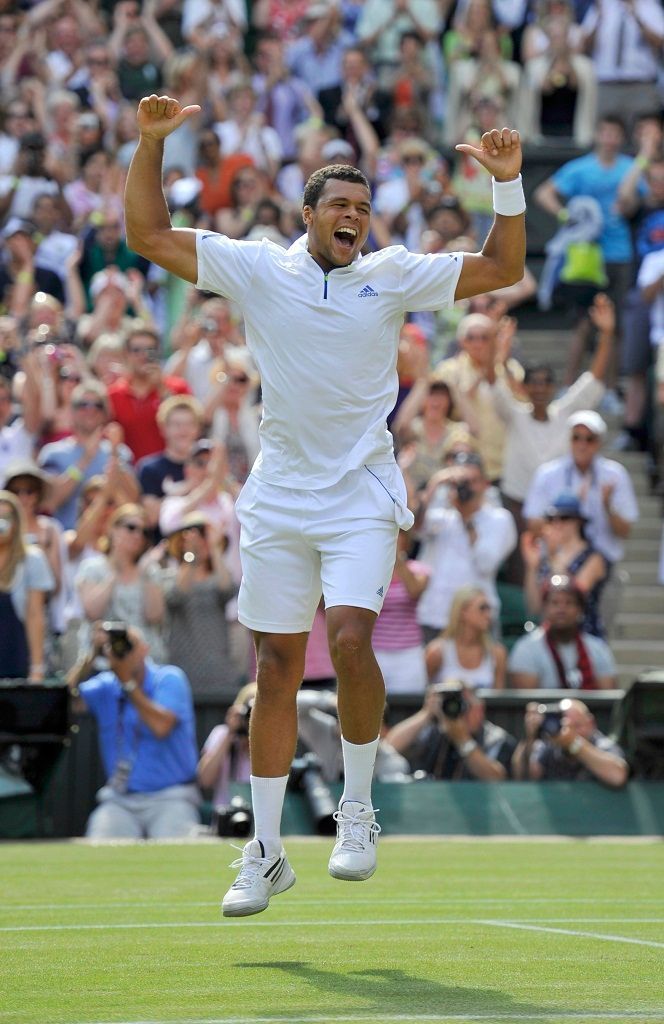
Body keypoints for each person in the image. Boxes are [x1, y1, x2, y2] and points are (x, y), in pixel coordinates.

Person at [124, 93, 525, 916]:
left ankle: (358, 808)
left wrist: (508, 187)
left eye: (364, 209)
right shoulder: (260, 266)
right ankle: (266, 853)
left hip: (363, 494)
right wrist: (150, 145)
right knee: (274, 667)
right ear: (307, 215)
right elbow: (147, 236)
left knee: (346, 639)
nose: (354, 217)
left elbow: (501, 268)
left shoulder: (390, 274)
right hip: (279, 495)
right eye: (339, 205)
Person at [66, 623, 200, 838]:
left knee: (177, 851)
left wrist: (127, 682)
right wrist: (90, 656)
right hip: (120, 800)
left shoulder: (168, 678)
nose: (123, 651)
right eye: (116, 646)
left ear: (144, 649)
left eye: (129, 645)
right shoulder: (106, 684)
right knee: (99, 849)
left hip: (171, 796)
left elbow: (161, 727)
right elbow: (64, 701)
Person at [416, 452, 517, 642]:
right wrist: (435, 484)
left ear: (485, 484)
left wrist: (466, 518)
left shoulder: (499, 519)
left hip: (475, 620)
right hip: (433, 615)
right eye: (461, 482)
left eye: (472, 481)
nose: (466, 488)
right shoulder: (442, 514)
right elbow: (414, 528)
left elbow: (485, 563)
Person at [523, 410, 639, 569]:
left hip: (604, 565)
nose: (582, 445)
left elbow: (625, 531)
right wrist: (567, 511)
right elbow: (534, 525)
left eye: (589, 439)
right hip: (559, 566)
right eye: (576, 438)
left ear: (599, 442)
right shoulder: (547, 474)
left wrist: (607, 506)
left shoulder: (616, 475)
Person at [385, 681, 517, 781]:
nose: (457, 712)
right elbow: (390, 748)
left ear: (480, 709)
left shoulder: (496, 738)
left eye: (465, 705)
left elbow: (496, 778)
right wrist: (426, 713)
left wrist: (462, 740)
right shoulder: (434, 730)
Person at [508, 575, 617, 690]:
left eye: (569, 603)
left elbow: (608, 698)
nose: (561, 609)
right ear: (544, 608)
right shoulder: (526, 648)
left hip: (588, 708)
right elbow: (525, 702)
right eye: (555, 603)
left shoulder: (598, 649)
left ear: (580, 610)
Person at [521, 492, 608, 637]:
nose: (557, 523)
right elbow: (534, 607)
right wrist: (532, 567)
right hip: (550, 637)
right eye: (551, 519)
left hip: (584, 636)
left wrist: (553, 556)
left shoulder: (593, 557)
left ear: (578, 521)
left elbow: (571, 597)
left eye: (565, 518)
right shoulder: (548, 558)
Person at [511, 697, 628, 788]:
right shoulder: (552, 744)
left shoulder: (602, 745)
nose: (570, 731)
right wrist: (530, 737)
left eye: (577, 726)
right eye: (565, 726)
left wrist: (573, 744)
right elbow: (523, 776)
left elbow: (617, 777)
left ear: (590, 722)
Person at [0, 489, 54, 681]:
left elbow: (35, 615)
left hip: (16, 654)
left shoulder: (32, 558)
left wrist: (37, 667)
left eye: (7, 518)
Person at [425, 585, 507, 690]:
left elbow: (498, 701)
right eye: (482, 608)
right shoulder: (437, 652)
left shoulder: (497, 654)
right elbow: (423, 694)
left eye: (489, 608)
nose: (488, 614)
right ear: (463, 611)